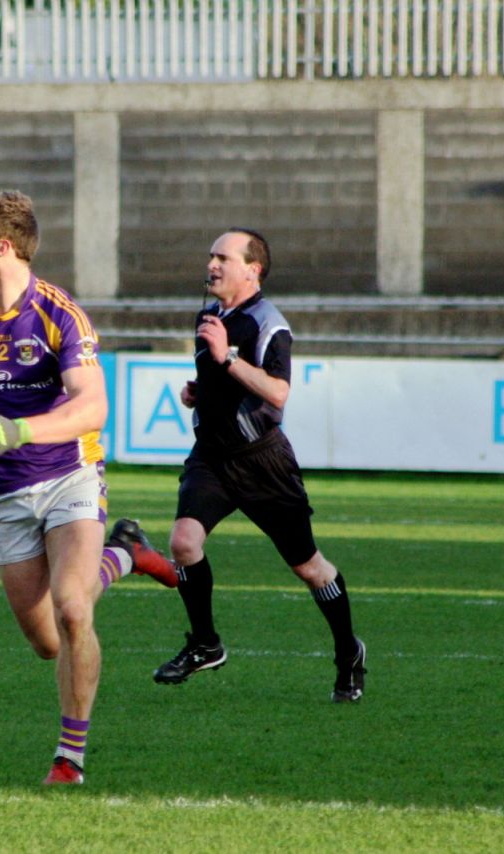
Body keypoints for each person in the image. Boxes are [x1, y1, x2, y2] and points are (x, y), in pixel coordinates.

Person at [0, 190, 178, 785]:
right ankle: (126, 554)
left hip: (70, 475)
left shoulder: (60, 315)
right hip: (6, 493)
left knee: (73, 612)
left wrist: (18, 430)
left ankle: (69, 759)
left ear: (2, 246)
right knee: (47, 642)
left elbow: (94, 407)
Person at [152, 227, 366, 702]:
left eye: (222, 258)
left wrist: (225, 356)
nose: (211, 264)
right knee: (184, 542)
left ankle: (349, 653)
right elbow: (218, 380)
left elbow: (277, 392)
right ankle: (205, 644)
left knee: (310, 569)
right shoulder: (209, 313)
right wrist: (197, 391)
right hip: (211, 457)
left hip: (262, 463)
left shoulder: (270, 323)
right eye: (210, 255)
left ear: (252, 270)